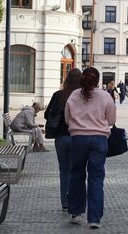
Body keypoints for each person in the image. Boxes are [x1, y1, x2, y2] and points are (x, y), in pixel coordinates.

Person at [65, 67, 116, 229]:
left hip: (78, 139)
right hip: (99, 140)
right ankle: (94, 218)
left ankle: (75, 212)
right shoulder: (105, 96)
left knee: (76, 175)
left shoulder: (74, 95)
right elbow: (111, 120)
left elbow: (67, 119)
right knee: (96, 178)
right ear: (98, 80)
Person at [44, 68, 82, 211]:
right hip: (77, 137)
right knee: (76, 170)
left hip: (61, 137)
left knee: (64, 169)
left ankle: (65, 202)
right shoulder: (82, 96)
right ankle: (74, 199)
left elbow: (47, 114)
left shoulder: (58, 95)